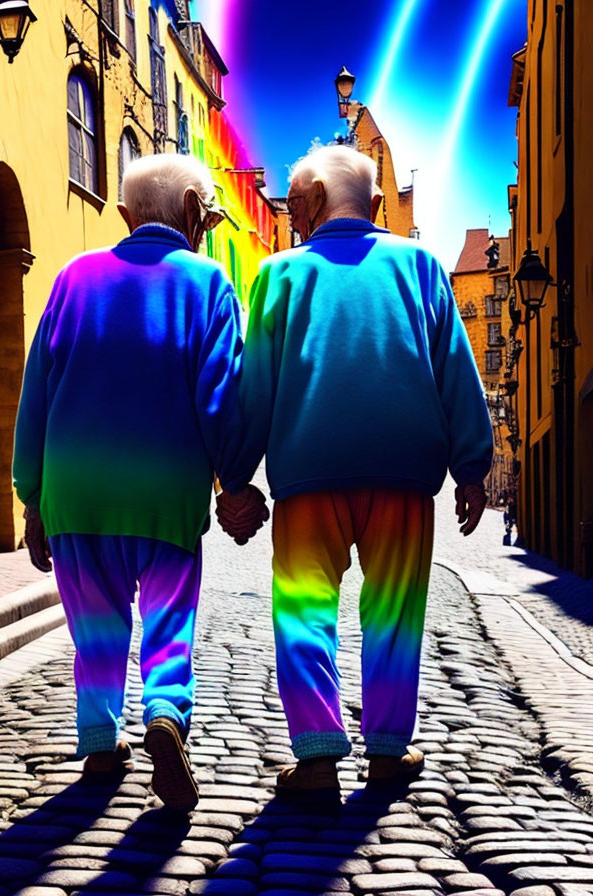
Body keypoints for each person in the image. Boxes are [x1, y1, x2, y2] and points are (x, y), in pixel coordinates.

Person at [216, 144, 492, 793]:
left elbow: (256, 387)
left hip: (308, 478)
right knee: (394, 610)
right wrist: (471, 467)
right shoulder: (420, 266)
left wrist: (235, 478)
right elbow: (457, 370)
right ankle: (389, 749)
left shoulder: (279, 275)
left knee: (304, 610)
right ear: (373, 207)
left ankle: (315, 755)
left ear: (305, 208)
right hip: (402, 477)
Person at [13, 153, 268, 811]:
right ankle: (164, 714)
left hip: (76, 490)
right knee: (167, 617)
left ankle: (100, 739)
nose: (207, 232)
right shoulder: (206, 283)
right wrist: (233, 481)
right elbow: (219, 395)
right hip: (164, 492)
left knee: (94, 624)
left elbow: (35, 393)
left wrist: (32, 498)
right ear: (191, 214)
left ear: (125, 217)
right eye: (207, 220)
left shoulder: (71, 279)